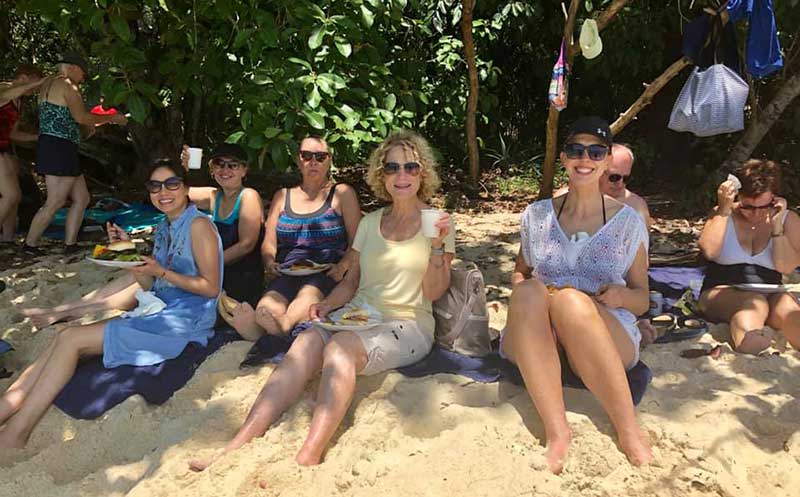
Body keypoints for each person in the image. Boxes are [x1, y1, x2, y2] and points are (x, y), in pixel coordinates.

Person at [188, 129, 454, 470]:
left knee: (339, 348)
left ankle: (309, 453)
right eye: (392, 168)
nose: (401, 176)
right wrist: (328, 305)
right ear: (381, 175)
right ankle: (238, 442)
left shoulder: (440, 225)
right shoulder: (372, 223)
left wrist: (436, 246)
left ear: (423, 173)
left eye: (410, 167)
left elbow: (432, 292)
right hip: (359, 314)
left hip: (408, 323)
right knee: (305, 342)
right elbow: (353, 280)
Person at [0, 161, 223, 448]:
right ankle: (6, 408)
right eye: (155, 186)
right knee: (63, 336)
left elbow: (211, 288)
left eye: (172, 184)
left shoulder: (199, 225)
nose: (163, 192)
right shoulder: (165, 227)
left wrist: (161, 272)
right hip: (159, 309)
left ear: (187, 188)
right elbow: (150, 285)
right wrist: (129, 254)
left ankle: (16, 433)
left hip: (184, 321)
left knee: (71, 339)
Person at [503, 116, 652, 473]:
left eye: (595, 150)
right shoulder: (536, 215)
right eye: (575, 149)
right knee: (527, 294)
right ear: (564, 157)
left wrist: (620, 296)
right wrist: (529, 293)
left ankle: (628, 430)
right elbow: (520, 272)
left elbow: (643, 297)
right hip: (543, 333)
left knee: (571, 301)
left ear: (606, 159)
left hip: (603, 326)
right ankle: (558, 433)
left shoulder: (627, 221)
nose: (584, 158)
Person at [22, 144, 265, 339]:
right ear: (211, 169)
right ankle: (68, 309)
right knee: (136, 271)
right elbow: (173, 190)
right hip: (214, 269)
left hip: (236, 277)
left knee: (153, 278)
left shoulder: (249, 196)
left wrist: (209, 266)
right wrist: (180, 169)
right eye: (219, 164)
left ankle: (73, 311)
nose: (225, 170)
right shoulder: (215, 195)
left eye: (233, 165)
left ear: (244, 170)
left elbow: (246, 245)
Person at [227, 136, 361, 339]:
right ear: (298, 160)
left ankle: (284, 325)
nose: (313, 161)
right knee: (267, 305)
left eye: (320, 156)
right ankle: (257, 329)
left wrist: (342, 267)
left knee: (308, 295)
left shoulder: (342, 193)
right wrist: (269, 261)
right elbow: (269, 240)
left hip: (326, 268)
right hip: (289, 268)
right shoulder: (283, 196)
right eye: (306, 156)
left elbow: (358, 241)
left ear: (329, 160)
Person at [23, 52, 127, 255]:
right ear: (73, 68)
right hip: (59, 147)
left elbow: (70, 118)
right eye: (82, 73)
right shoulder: (66, 85)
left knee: (82, 197)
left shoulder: (47, 85)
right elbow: (81, 117)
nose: (83, 78)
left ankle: (70, 244)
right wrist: (113, 119)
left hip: (58, 145)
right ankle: (30, 244)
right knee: (55, 201)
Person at [698, 159, 800, 355]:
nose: (755, 214)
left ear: (774, 199)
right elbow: (709, 251)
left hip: (771, 290)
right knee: (754, 303)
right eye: (748, 207)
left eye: (762, 207)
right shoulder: (724, 213)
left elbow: (786, 267)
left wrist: (777, 227)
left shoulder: (788, 219)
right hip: (721, 290)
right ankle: (749, 345)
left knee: (788, 306)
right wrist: (724, 209)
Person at [555, 143, 651, 228]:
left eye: (626, 178)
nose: (620, 184)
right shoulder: (564, 199)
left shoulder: (636, 206)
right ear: (599, 171)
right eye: (614, 177)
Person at [0, 64, 44, 243]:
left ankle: (7, 238)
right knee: (9, 195)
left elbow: (12, 134)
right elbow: (7, 94)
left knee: (15, 195)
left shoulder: (20, 103)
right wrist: (42, 82)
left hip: (3, 148)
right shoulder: (4, 87)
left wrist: (37, 137)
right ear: (24, 77)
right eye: (35, 81)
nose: (35, 89)